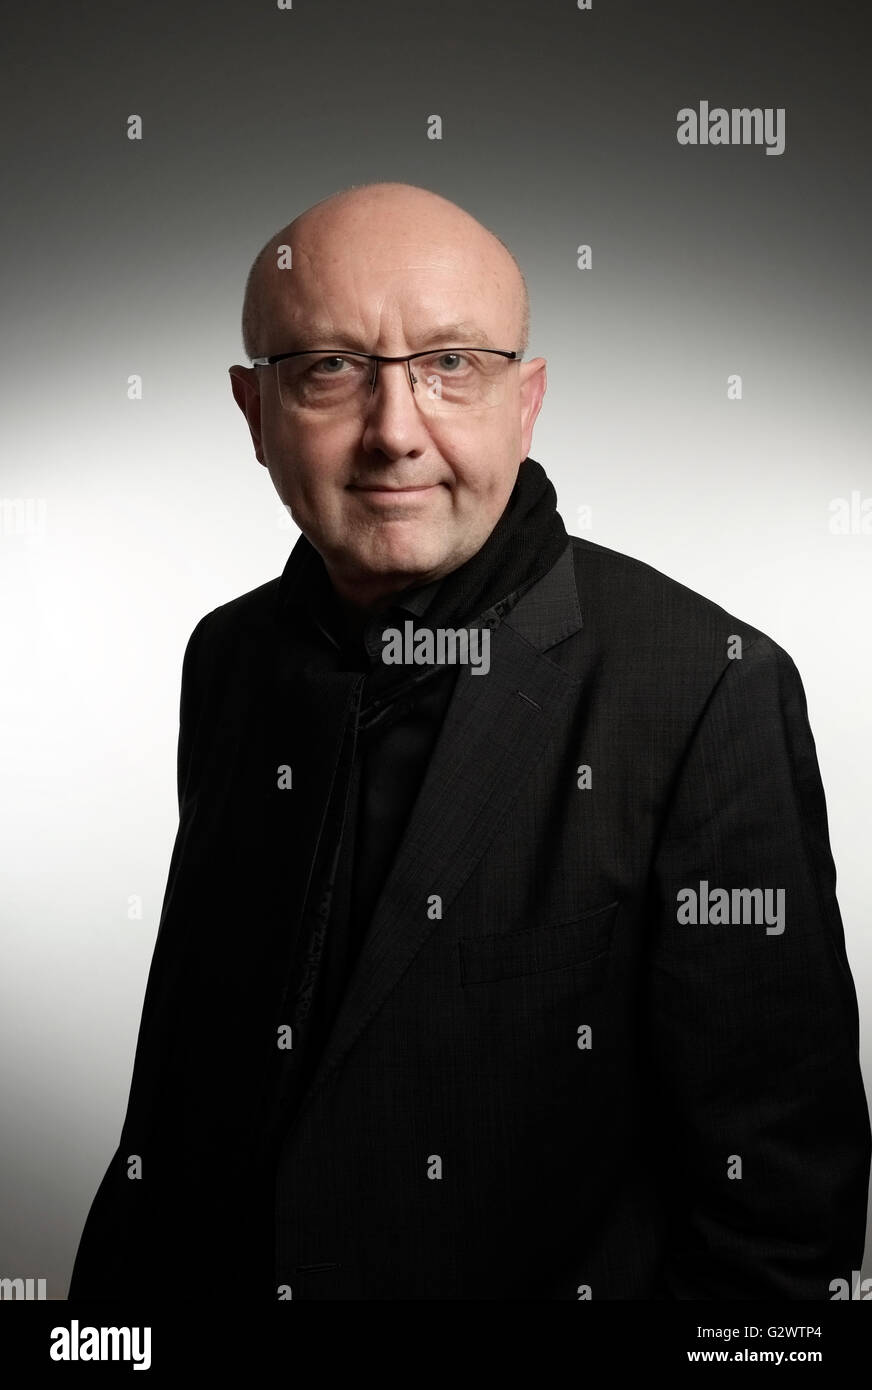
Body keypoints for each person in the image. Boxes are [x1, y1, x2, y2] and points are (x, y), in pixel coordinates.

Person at [69, 181, 870, 1301]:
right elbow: (190, 1088)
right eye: (331, 369)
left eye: (451, 364)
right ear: (254, 414)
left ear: (524, 400)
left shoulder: (703, 689)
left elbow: (778, 1222)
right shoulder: (230, 657)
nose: (396, 432)